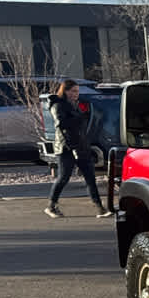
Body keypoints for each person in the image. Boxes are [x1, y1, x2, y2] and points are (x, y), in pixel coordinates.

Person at [44, 79, 110, 219]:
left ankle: (100, 208)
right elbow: (61, 124)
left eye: (77, 91)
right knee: (64, 177)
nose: (76, 94)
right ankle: (51, 206)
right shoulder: (58, 105)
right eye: (73, 91)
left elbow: (79, 125)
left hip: (81, 146)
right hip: (65, 147)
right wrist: (79, 119)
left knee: (90, 177)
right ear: (65, 91)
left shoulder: (75, 105)